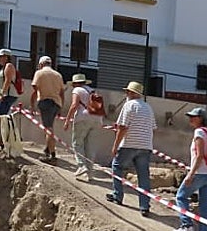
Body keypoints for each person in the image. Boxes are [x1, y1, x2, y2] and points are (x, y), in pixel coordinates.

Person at [105, 81, 155, 217]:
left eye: (127, 92)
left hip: (129, 144)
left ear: (133, 93)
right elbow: (153, 128)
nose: (126, 94)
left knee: (117, 166)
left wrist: (115, 145)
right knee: (143, 175)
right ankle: (144, 206)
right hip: (145, 146)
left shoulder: (129, 105)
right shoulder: (148, 108)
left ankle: (117, 196)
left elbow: (123, 127)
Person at [172, 107, 207, 231]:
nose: (190, 118)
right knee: (205, 206)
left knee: (181, 196)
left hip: (200, 173)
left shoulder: (199, 132)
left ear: (201, 119)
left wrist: (190, 174)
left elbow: (199, 156)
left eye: (194, 116)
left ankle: (186, 226)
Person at [30, 55, 65, 162]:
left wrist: (32, 105)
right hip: (56, 103)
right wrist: (61, 108)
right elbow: (62, 93)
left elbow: (35, 91)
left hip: (45, 102)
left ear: (41, 64)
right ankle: (47, 149)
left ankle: (52, 154)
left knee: (48, 128)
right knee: (49, 126)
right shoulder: (58, 75)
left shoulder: (39, 73)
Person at [63, 73, 97, 180]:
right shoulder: (93, 91)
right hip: (96, 120)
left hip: (83, 119)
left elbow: (74, 105)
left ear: (75, 83)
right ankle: (90, 173)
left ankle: (82, 166)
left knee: (77, 143)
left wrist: (67, 120)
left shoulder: (77, 90)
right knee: (89, 146)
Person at [0, 48, 23, 156]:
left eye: (1, 57)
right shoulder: (4, 67)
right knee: (3, 118)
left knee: (2, 118)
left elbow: (7, 81)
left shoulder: (9, 66)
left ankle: (4, 142)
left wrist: (1, 95)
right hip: (7, 95)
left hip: (8, 95)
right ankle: (3, 141)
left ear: (6, 57)